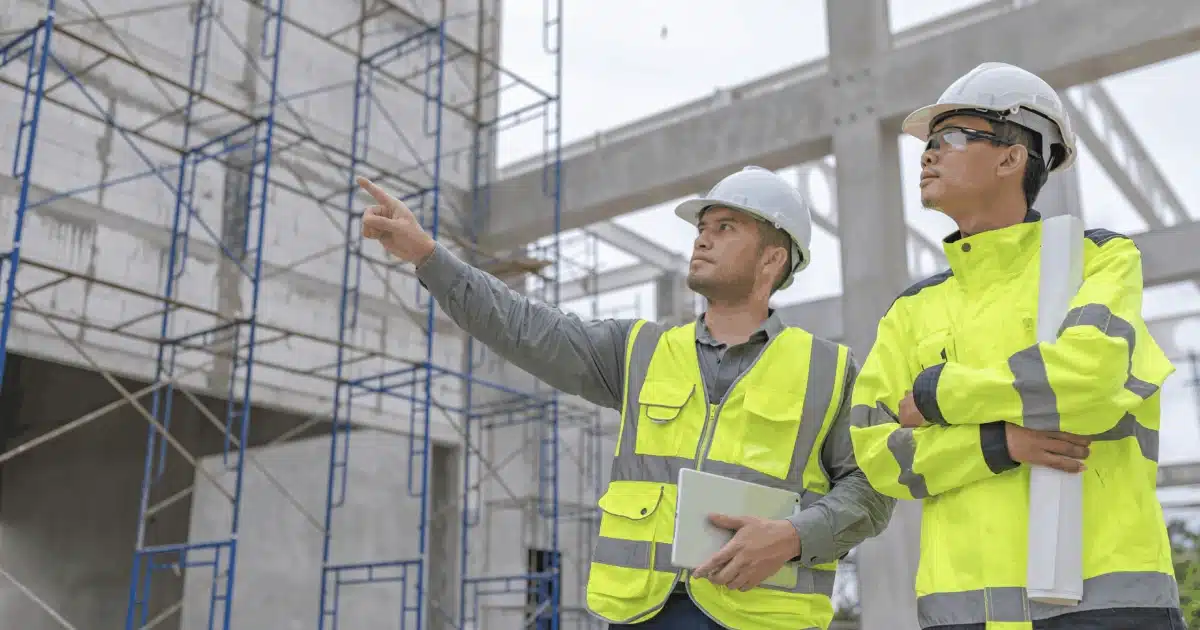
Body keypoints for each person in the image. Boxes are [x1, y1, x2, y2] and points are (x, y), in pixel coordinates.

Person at [357, 166, 895, 629]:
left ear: (773, 260)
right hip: (644, 614)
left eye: (724, 228)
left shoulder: (831, 371)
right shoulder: (638, 350)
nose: (701, 239)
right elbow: (525, 328)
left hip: (762, 617)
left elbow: (872, 491)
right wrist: (429, 257)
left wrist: (793, 537)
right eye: (702, 228)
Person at [848, 62, 1185, 630]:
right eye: (928, 142)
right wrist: (1001, 442)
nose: (928, 153)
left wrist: (939, 395)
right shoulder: (911, 311)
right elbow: (878, 452)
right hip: (964, 614)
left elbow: (1091, 378)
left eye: (952, 136)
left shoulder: (1099, 260)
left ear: (1012, 156)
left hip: (1106, 609)